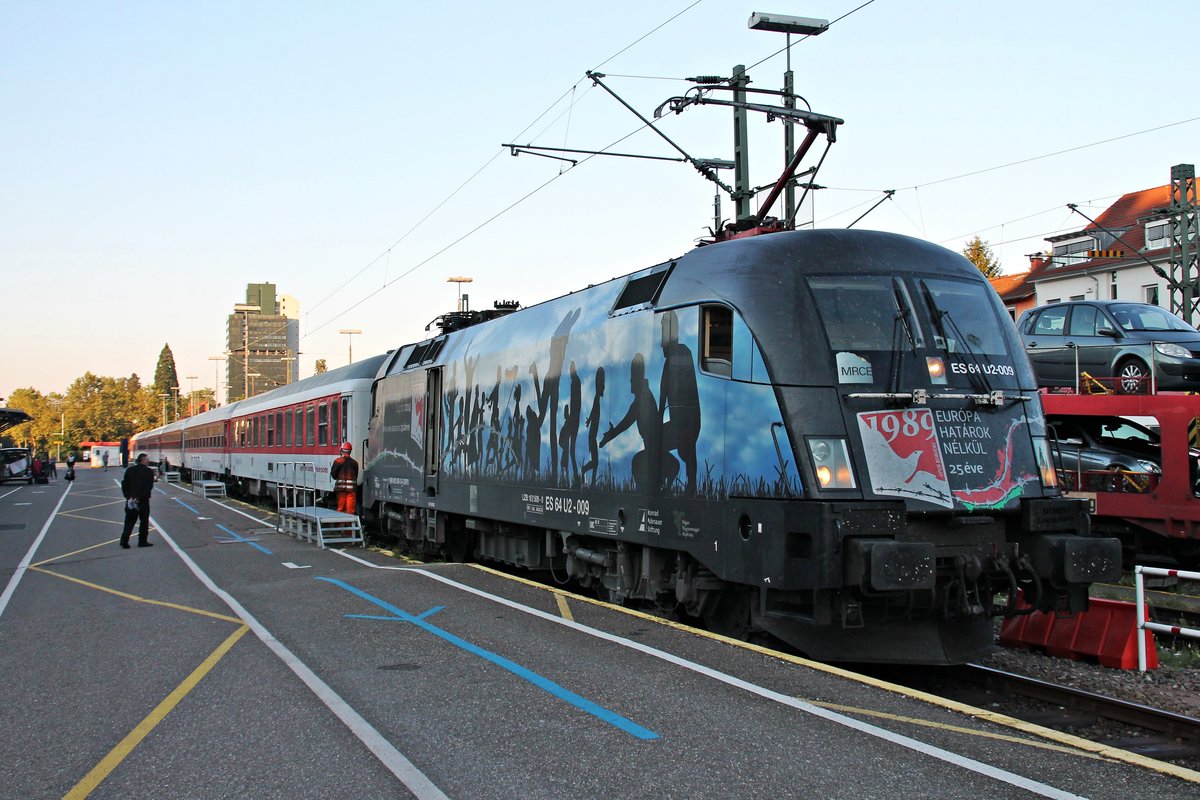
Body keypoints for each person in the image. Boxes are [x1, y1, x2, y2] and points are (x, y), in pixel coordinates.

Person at [120, 453, 156, 548]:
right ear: (143, 460)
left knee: (129, 521)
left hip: (130, 501)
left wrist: (128, 497)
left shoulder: (129, 470)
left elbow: (124, 485)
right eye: (147, 459)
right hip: (143, 501)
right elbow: (148, 487)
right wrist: (139, 498)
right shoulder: (148, 472)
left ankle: (124, 541)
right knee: (144, 521)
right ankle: (142, 541)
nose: (148, 461)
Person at [330, 442, 359, 515]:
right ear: (350, 451)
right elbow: (356, 476)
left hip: (341, 489)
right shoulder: (355, 463)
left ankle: (340, 524)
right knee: (350, 510)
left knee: (340, 508)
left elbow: (333, 475)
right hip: (351, 490)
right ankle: (350, 524)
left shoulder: (338, 461)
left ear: (342, 451)